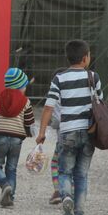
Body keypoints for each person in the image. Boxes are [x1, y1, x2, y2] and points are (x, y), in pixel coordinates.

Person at [36, 40, 102, 215]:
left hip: (67, 132)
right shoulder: (93, 77)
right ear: (85, 58)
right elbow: (100, 105)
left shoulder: (59, 79)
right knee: (81, 175)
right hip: (88, 132)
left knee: (64, 171)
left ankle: (65, 196)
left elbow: (49, 107)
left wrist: (42, 133)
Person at [0, 67, 34, 208]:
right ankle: (10, 197)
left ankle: (4, 184)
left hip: (0, 137)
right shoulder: (26, 101)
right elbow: (29, 122)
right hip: (16, 139)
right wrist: (29, 133)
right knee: (11, 168)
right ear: (20, 85)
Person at [47, 67, 67, 205]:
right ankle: (72, 192)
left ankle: (58, 191)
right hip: (79, 134)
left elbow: (54, 120)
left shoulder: (55, 95)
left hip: (62, 137)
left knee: (56, 163)